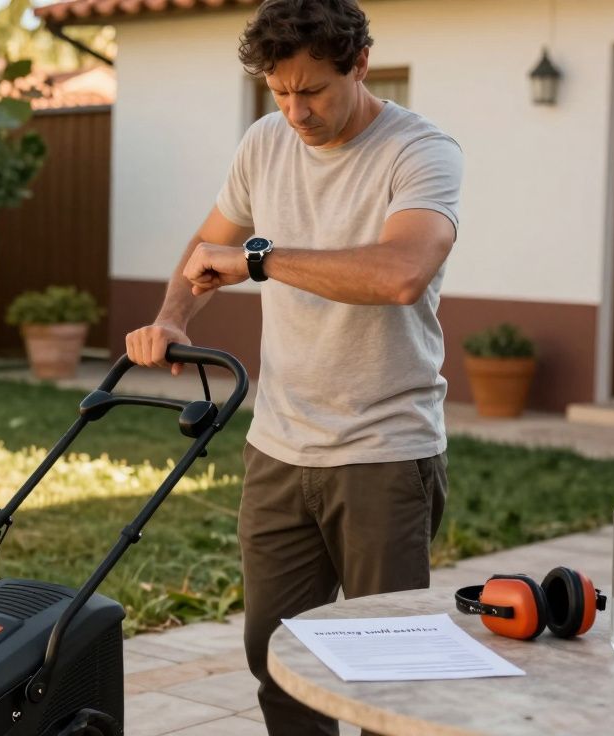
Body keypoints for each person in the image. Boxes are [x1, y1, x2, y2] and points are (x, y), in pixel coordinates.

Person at [124, 1, 462, 734]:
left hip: (384, 450)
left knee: (386, 677)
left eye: (312, 90)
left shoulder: (420, 151)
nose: (295, 112)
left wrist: (258, 260)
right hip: (278, 447)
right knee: (277, 663)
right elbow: (208, 245)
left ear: (360, 63)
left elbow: (401, 272)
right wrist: (172, 317)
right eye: (278, 92)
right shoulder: (264, 142)